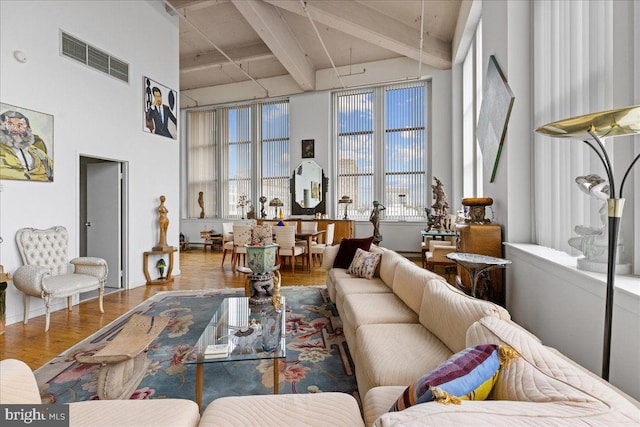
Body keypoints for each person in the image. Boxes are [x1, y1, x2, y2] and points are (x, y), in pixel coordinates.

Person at [0, 110, 53, 182]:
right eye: (10, 124)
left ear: (27, 128)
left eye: (19, 125)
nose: (15, 129)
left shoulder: (38, 153)